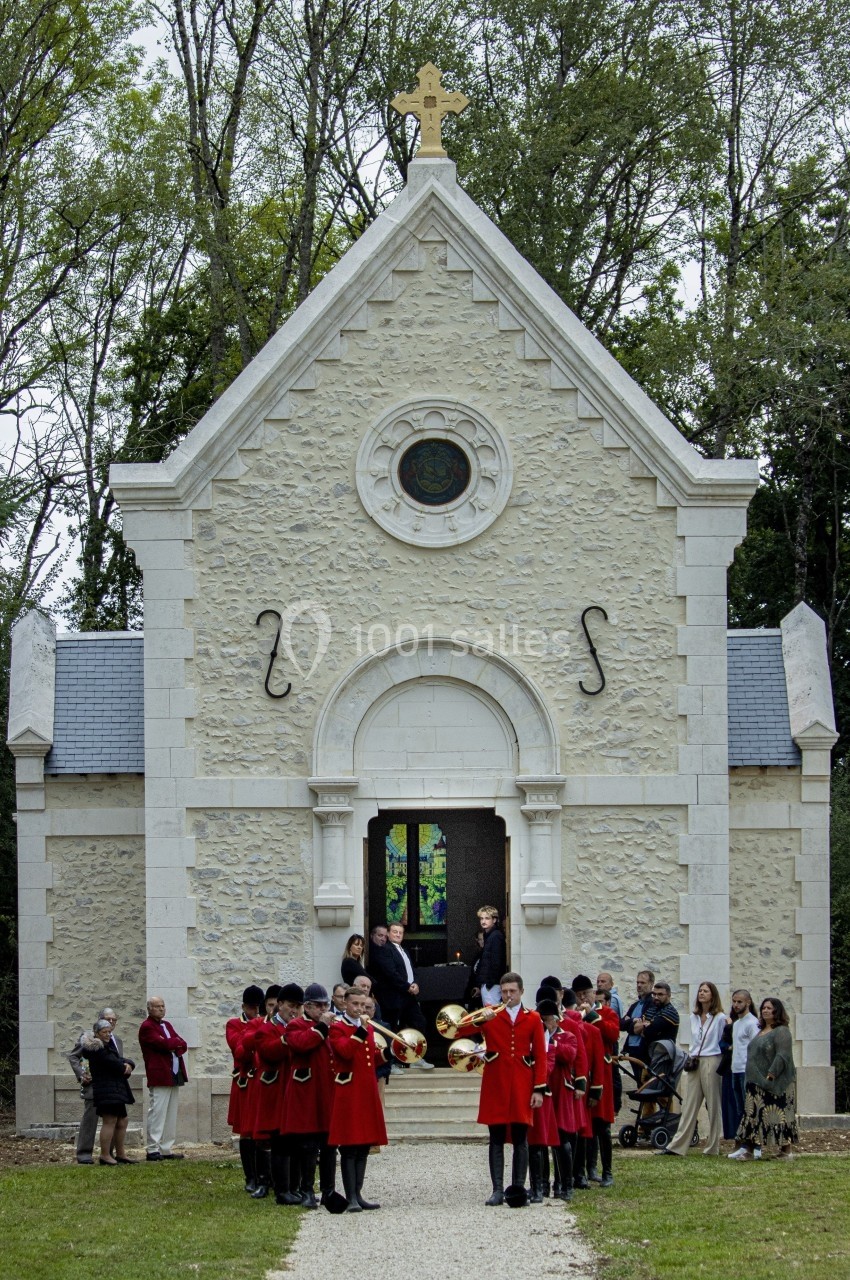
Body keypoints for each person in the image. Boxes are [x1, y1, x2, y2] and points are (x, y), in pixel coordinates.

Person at [474, 971, 547, 1206]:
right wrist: (479, 1019)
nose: (508, 996)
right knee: (495, 1137)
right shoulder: (492, 1015)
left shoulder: (534, 1018)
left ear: (521, 992)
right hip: (496, 1083)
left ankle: (517, 1188)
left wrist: (539, 1089)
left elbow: (540, 1055)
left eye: (512, 991)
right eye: (504, 992)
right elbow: (460, 1031)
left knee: (520, 1138)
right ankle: (497, 1190)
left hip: (522, 1084)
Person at [328, 986, 392, 1211]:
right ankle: (351, 1197)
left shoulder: (367, 1029)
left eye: (363, 1005)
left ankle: (359, 1193)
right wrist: (361, 1031)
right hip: (348, 1091)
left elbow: (370, 1057)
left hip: (366, 1090)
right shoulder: (337, 1027)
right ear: (345, 1004)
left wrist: (388, 1053)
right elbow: (345, 1052)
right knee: (349, 1145)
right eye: (354, 1004)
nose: (359, 1009)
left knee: (364, 1144)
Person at [280, 982, 337, 1208]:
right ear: (308, 1006)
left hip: (327, 1091)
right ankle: (306, 1190)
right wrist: (321, 1028)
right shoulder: (295, 1026)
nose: (324, 1010)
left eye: (326, 1005)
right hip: (306, 1093)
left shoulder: (331, 1026)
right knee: (308, 1147)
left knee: (330, 1145)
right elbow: (302, 1045)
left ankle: (329, 1190)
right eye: (319, 1006)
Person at [730, 997, 798, 1161]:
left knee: (780, 1116)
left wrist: (772, 1074)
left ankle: (786, 1151)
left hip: (775, 1083)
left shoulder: (781, 1031)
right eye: (763, 1008)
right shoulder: (760, 1030)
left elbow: (783, 1055)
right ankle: (750, 1150)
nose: (765, 1010)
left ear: (777, 1011)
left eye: (769, 1008)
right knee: (753, 1117)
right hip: (755, 1082)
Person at [664, 981, 726, 1157]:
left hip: (712, 1059)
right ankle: (677, 1146)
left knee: (713, 1104)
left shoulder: (720, 1018)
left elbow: (722, 1040)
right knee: (689, 1103)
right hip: (695, 1060)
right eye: (700, 990)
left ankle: (713, 1146)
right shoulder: (694, 1017)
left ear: (712, 995)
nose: (702, 993)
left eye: (705, 991)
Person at [67, 1005, 123, 1164]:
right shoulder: (88, 1038)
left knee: (112, 1119)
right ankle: (84, 1153)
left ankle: (108, 1153)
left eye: (114, 1020)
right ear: (99, 1020)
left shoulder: (117, 1040)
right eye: (107, 1019)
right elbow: (73, 1057)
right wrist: (81, 1074)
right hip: (93, 1084)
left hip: (112, 1087)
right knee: (90, 1119)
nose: (111, 1022)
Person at [138, 996, 188, 1162]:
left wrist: (173, 1043)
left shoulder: (167, 1025)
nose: (161, 1009)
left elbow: (183, 1044)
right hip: (159, 1074)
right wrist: (174, 1043)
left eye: (163, 1006)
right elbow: (165, 1045)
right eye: (157, 1006)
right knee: (157, 1112)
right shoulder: (147, 1027)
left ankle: (166, 1148)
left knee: (171, 1112)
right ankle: (153, 1148)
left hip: (174, 1073)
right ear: (149, 1009)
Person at [226, 984, 265, 1192]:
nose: (255, 1012)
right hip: (244, 1079)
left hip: (260, 1079)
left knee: (261, 1130)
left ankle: (262, 1176)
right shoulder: (233, 1024)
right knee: (246, 1131)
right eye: (251, 1008)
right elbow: (238, 1049)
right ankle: (250, 1177)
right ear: (243, 1007)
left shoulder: (262, 1022)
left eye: (258, 1007)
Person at [83, 1018, 137, 1165]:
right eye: (104, 1032)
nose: (107, 1034)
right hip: (106, 1089)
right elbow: (114, 1063)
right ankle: (105, 1155)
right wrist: (124, 1066)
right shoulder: (97, 1049)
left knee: (122, 1120)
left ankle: (121, 1154)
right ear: (97, 1033)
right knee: (110, 1120)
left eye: (109, 1031)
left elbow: (119, 1059)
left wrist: (129, 1063)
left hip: (116, 1088)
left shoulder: (108, 1045)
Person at [369, 922, 429, 1045]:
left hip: (409, 996)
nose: (398, 935)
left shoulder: (405, 951)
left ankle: (416, 1057)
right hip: (394, 997)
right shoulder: (385, 949)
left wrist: (416, 984)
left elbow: (412, 971)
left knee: (419, 1022)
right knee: (393, 1028)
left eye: (400, 932)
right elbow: (391, 973)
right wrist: (408, 987)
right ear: (388, 934)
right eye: (395, 932)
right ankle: (393, 1060)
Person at [724, 989, 761, 1156]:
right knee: (740, 1110)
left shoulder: (752, 1023)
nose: (736, 1005)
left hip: (747, 1070)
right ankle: (743, 1145)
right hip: (735, 1069)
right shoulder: (737, 1024)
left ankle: (754, 1146)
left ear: (748, 1002)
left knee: (750, 1109)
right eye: (734, 1001)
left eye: (739, 1002)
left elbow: (756, 1048)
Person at [620, 970, 655, 1062]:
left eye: (643, 983)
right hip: (632, 1049)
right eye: (638, 982)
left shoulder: (652, 1004)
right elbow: (621, 1024)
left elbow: (644, 1026)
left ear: (651, 984)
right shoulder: (634, 1005)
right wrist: (633, 1021)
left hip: (644, 1050)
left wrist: (629, 1021)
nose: (639, 985)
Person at [475, 905, 507, 1006]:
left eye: (487, 918)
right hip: (489, 984)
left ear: (494, 920)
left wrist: (489, 984)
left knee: (492, 1014)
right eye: (481, 918)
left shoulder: (496, 936)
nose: (483, 921)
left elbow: (496, 962)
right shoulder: (490, 935)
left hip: (492, 984)